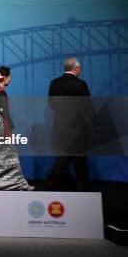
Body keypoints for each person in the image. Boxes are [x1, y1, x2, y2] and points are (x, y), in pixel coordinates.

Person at [47, 57, 94, 191]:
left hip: (60, 126)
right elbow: (88, 106)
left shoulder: (54, 83)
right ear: (76, 69)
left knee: (64, 154)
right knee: (79, 157)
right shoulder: (81, 84)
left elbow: (51, 104)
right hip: (78, 126)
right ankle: (81, 185)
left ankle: (55, 178)